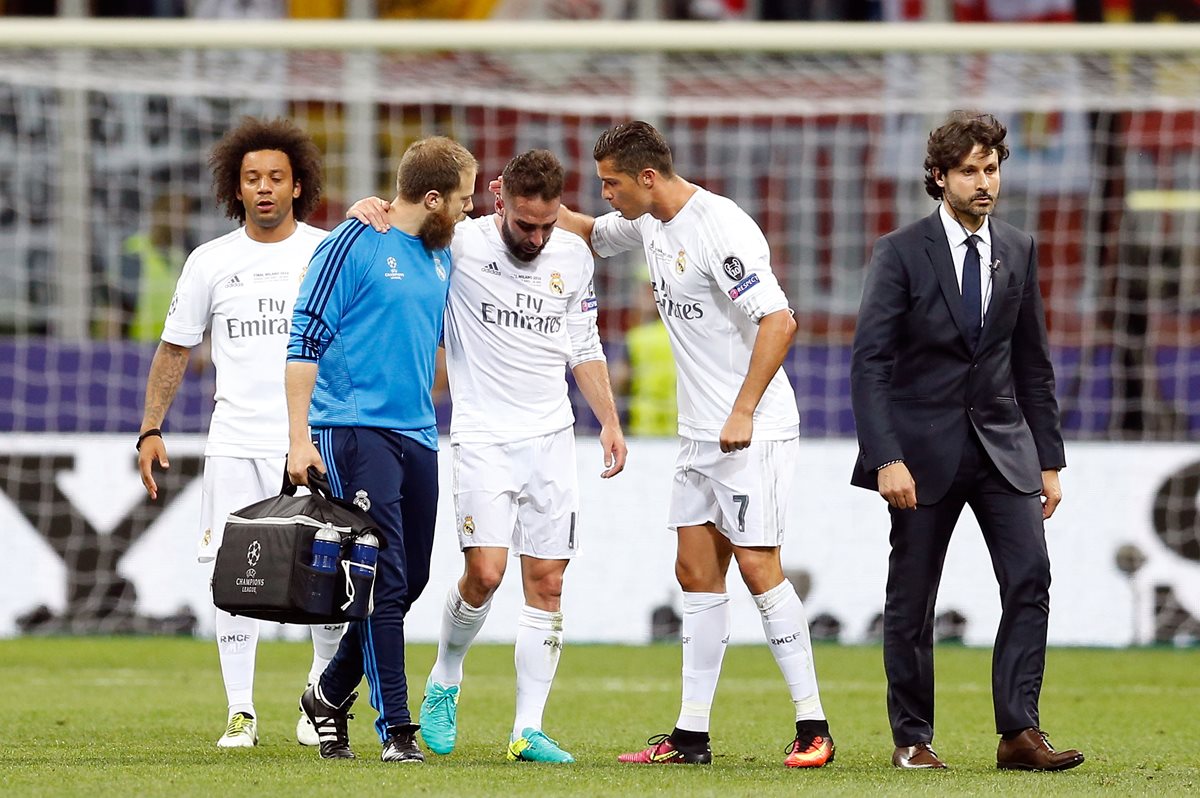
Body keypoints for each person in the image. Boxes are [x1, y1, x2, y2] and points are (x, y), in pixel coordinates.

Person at [556, 120, 834, 769]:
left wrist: (742, 410)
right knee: (695, 573)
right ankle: (690, 736)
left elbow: (780, 319)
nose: (608, 195)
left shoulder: (721, 228)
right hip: (697, 435)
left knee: (760, 568)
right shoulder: (649, 220)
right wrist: (531, 207)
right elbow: (594, 232)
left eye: (612, 183)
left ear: (647, 177)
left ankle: (813, 727)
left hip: (751, 430)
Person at [348, 148, 628, 763]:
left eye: (547, 224)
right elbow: (397, 222)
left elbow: (582, 344)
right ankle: (446, 675)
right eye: (525, 224)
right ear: (498, 202)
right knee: (486, 575)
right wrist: (365, 207)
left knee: (548, 582)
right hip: (481, 437)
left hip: (552, 437)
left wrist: (608, 421)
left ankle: (527, 729)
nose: (536, 236)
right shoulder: (462, 245)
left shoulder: (573, 257)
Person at [849, 110, 1084, 772]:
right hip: (919, 457)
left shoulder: (1019, 246)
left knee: (1031, 577)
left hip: (1005, 451)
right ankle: (913, 740)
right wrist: (885, 456)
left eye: (992, 169)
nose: (985, 183)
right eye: (970, 171)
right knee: (913, 598)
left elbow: (1033, 364)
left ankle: (1019, 732)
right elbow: (869, 364)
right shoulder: (899, 251)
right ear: (939, 177)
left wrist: (1049, 460)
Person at [136, 117, 343, 749]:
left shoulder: (328, 250)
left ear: (298, 185)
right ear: (236, 187)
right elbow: (175, 349)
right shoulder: (211, 261)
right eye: (252, 178)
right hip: (233, 440)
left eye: (276, 177)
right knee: (234, 576)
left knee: (325, 572)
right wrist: (150, 428)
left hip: (311, 439)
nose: (264, 189)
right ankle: (241, 711)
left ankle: (317, 703)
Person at [286, 136, 478, 764]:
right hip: (353, 425)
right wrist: (298, 438)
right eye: (463, 200)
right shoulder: (353, 242)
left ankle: (329, 693)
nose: (469, 212)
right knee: (382, 579)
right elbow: (303, 340)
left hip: (418, 431)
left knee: (411, 576)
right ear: (432, 199)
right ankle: (397, 728)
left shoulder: (438, 251)